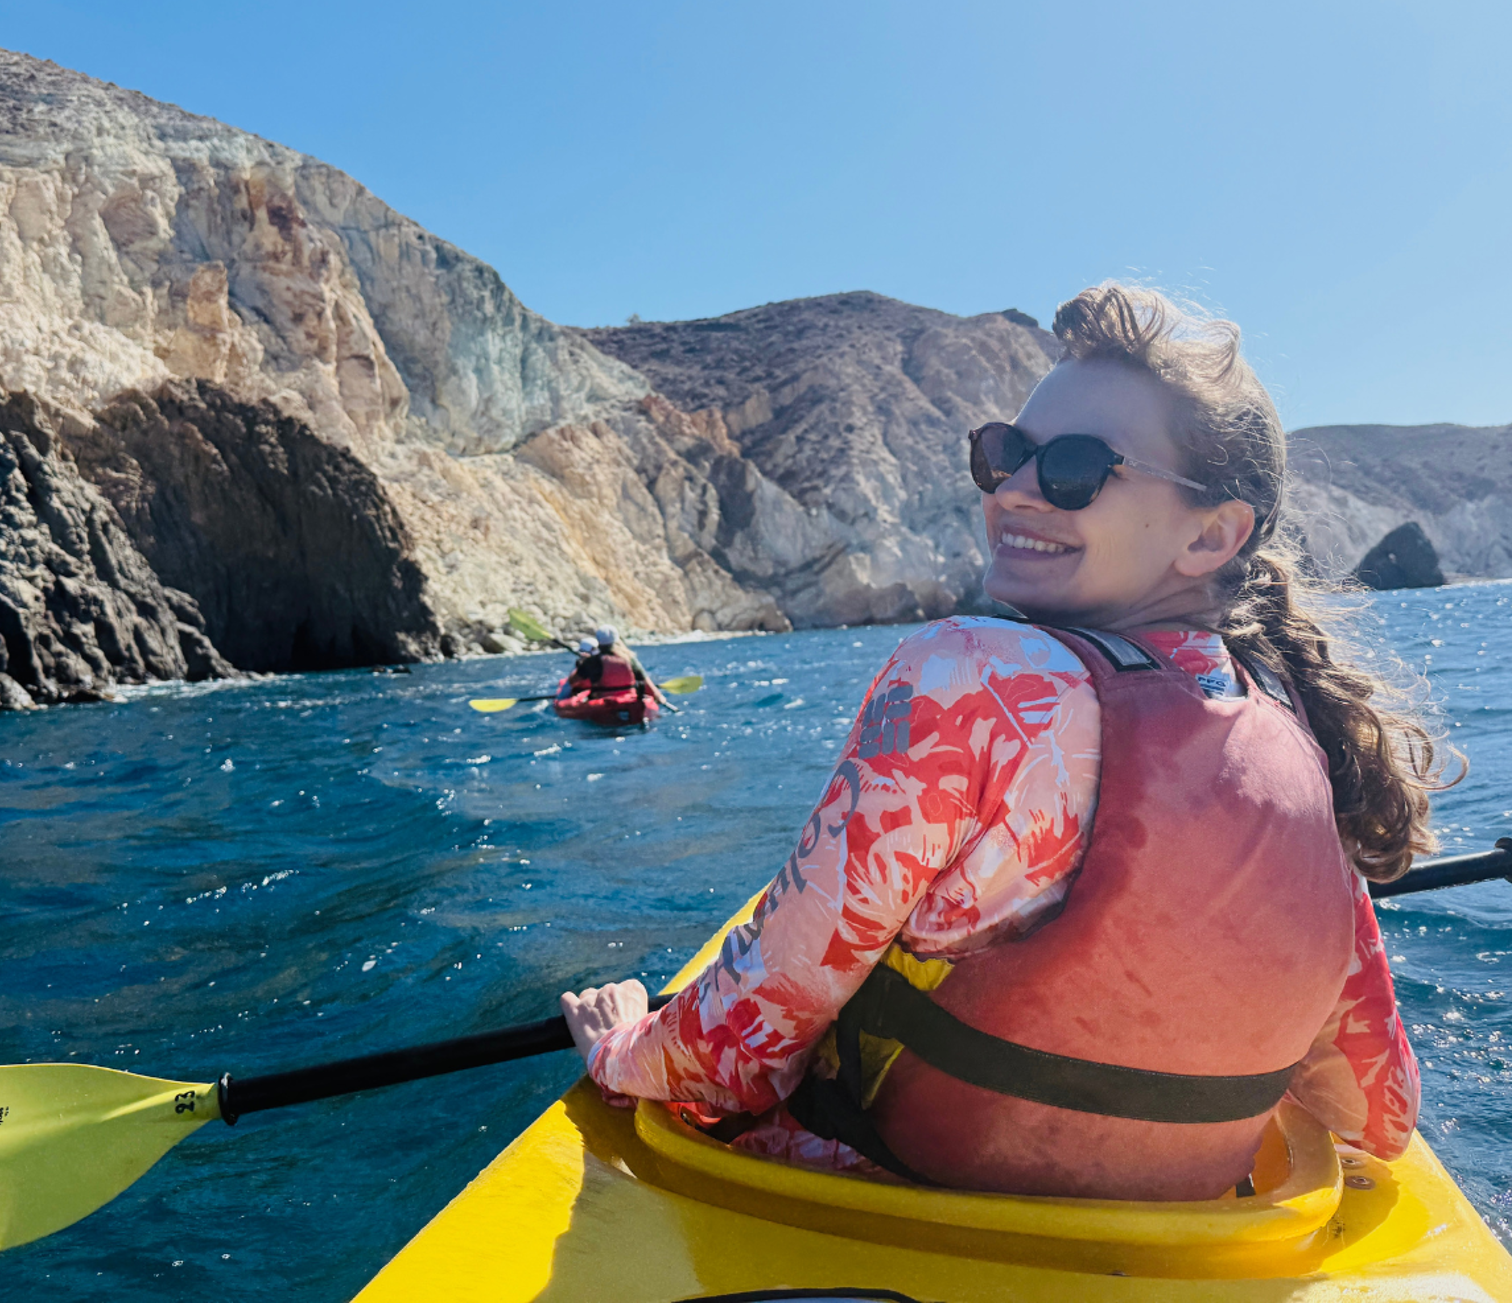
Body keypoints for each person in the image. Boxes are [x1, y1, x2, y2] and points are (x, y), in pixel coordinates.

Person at [560, 284, 1449, 1202]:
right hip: (1181, 1238)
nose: (1015, 489)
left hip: (893, 1205)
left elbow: (732, 1054)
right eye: (1005, 453)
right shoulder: (1298, 735)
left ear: (1213, 534)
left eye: (1075, 469)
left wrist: (622, 1044)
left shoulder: (970, 677)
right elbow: (1377, 1115)